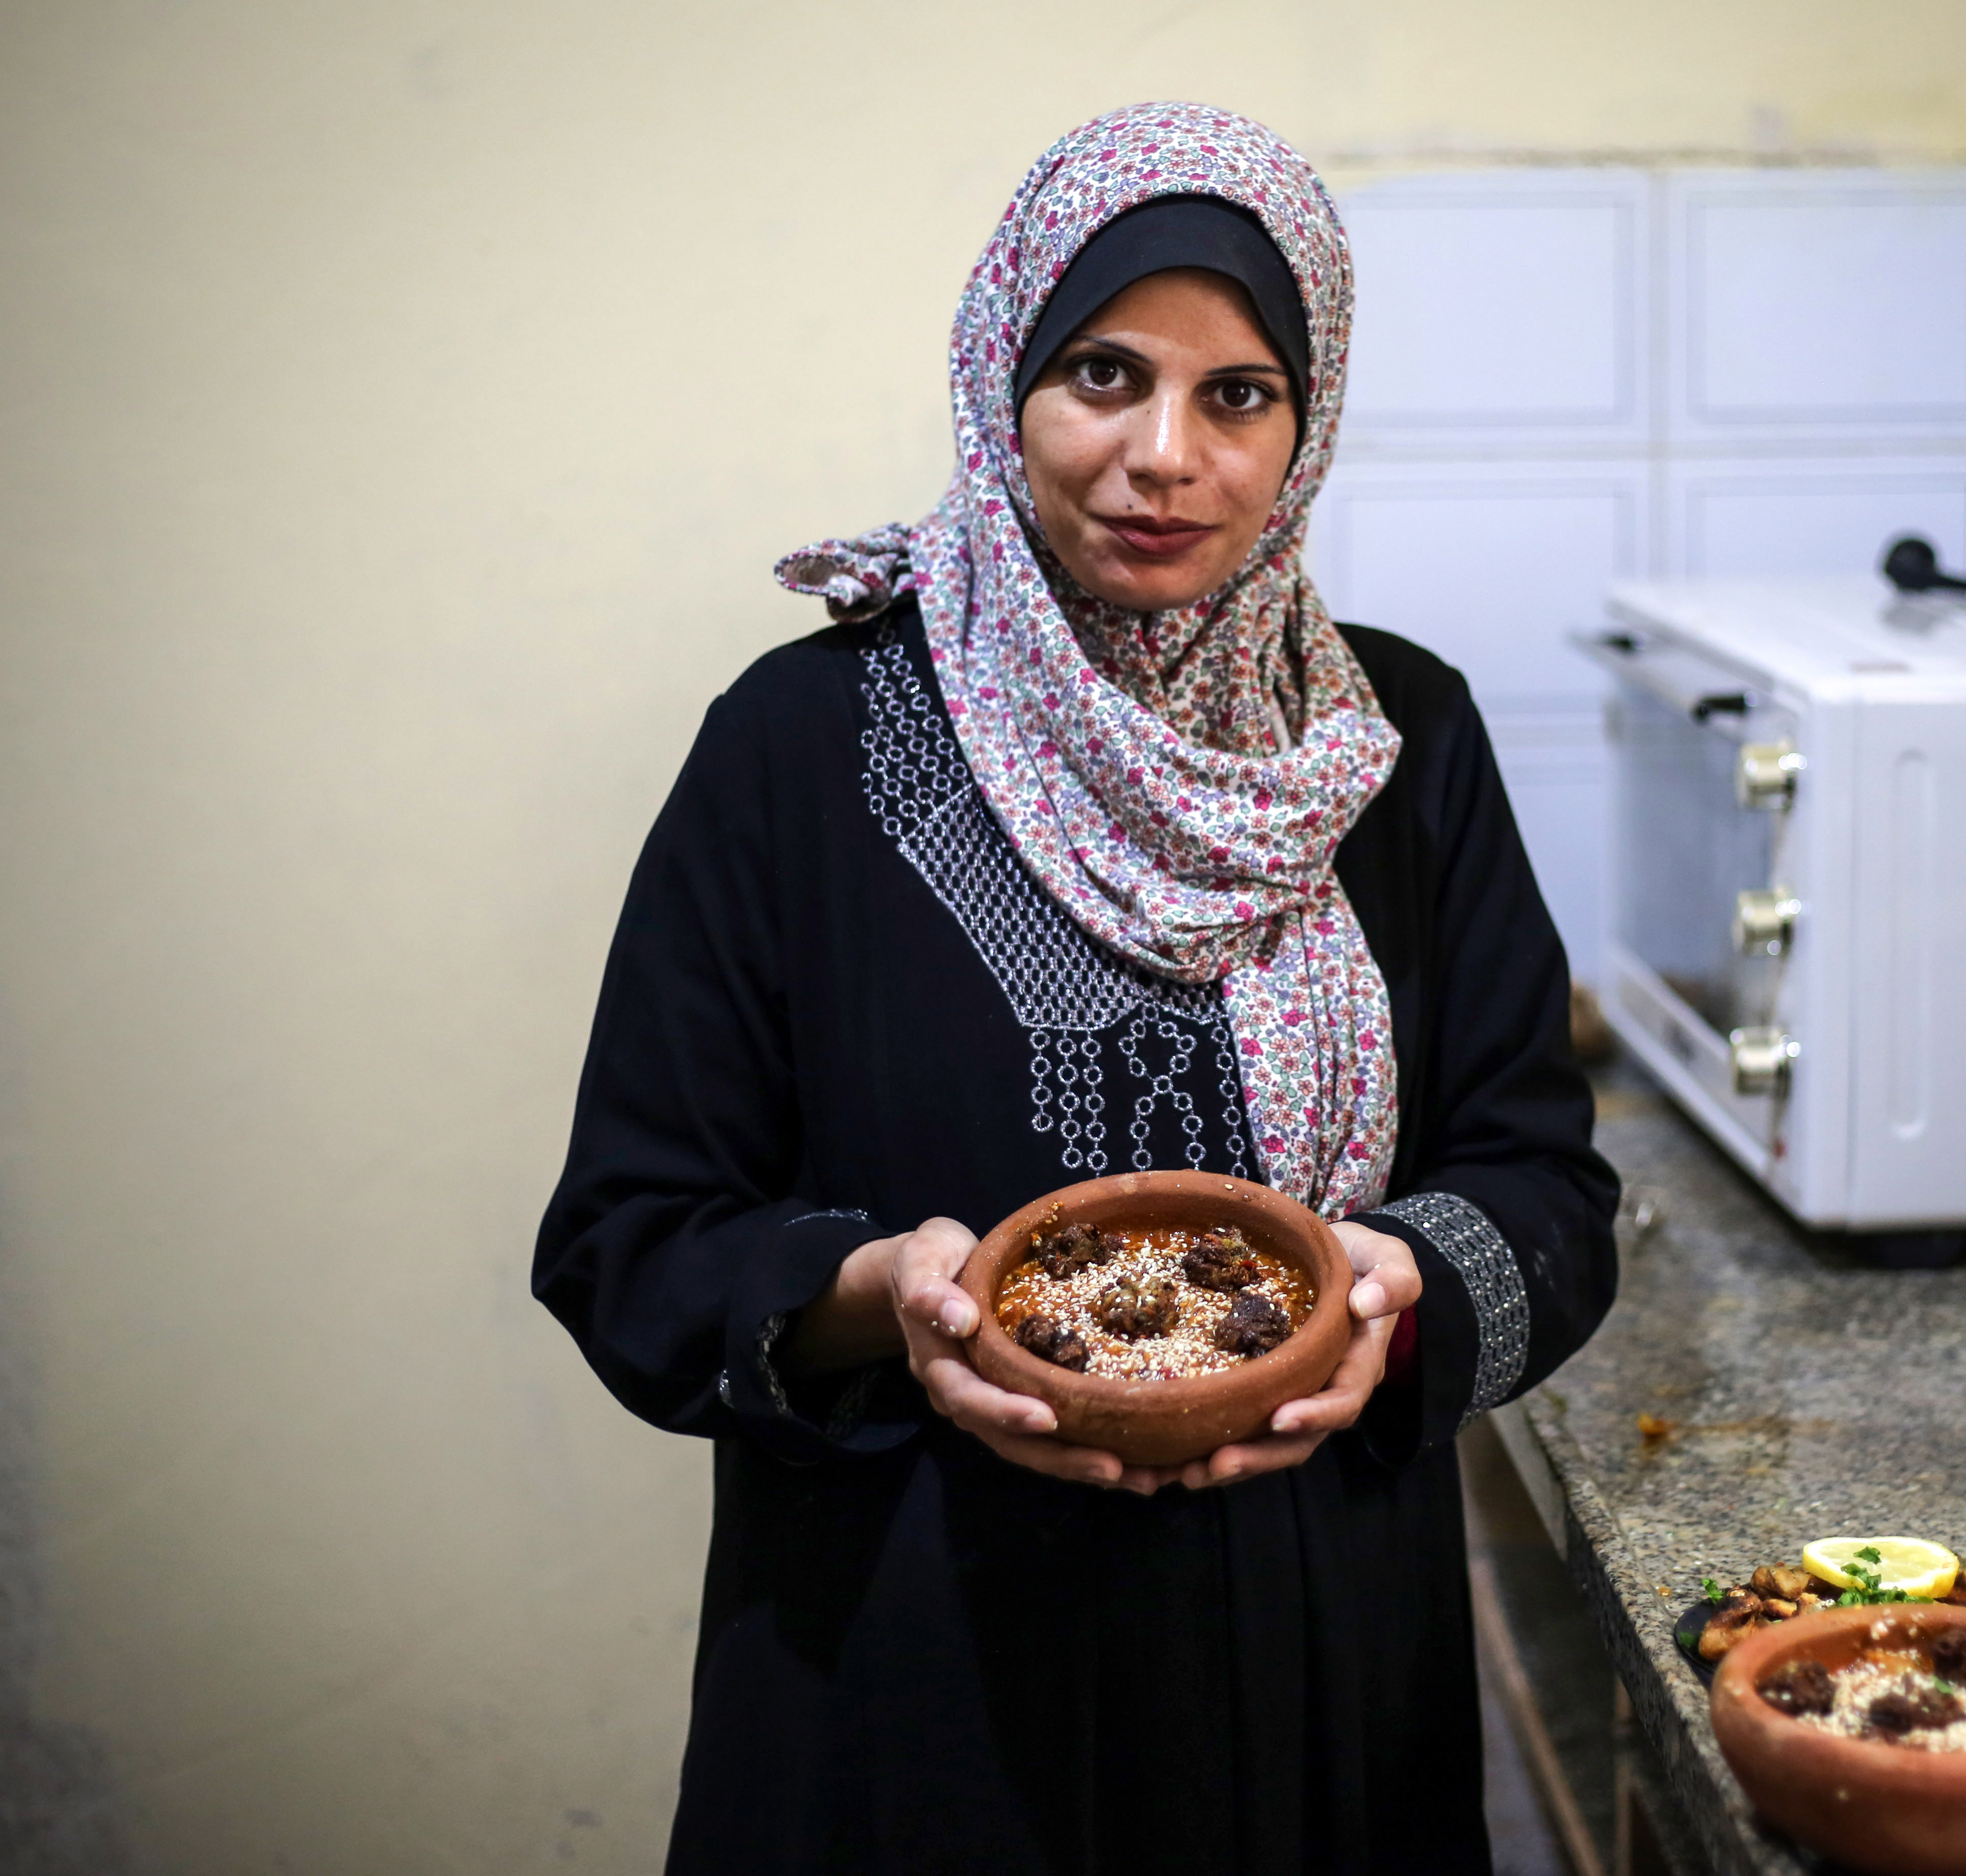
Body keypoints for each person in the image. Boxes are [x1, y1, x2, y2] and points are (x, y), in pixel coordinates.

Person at [534, 101, 1617, 1876]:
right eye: (1104, 374)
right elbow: (631, 1240)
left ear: (1309, 420)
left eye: (1238, 395)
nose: (1163, 456)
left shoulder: (1395, 743)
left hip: (1319, 1673)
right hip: (921, 1682)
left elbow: (1547, 1186)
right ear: (1001, 382)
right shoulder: (801, 749)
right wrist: (880, 1296)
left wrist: (1393, 1292)